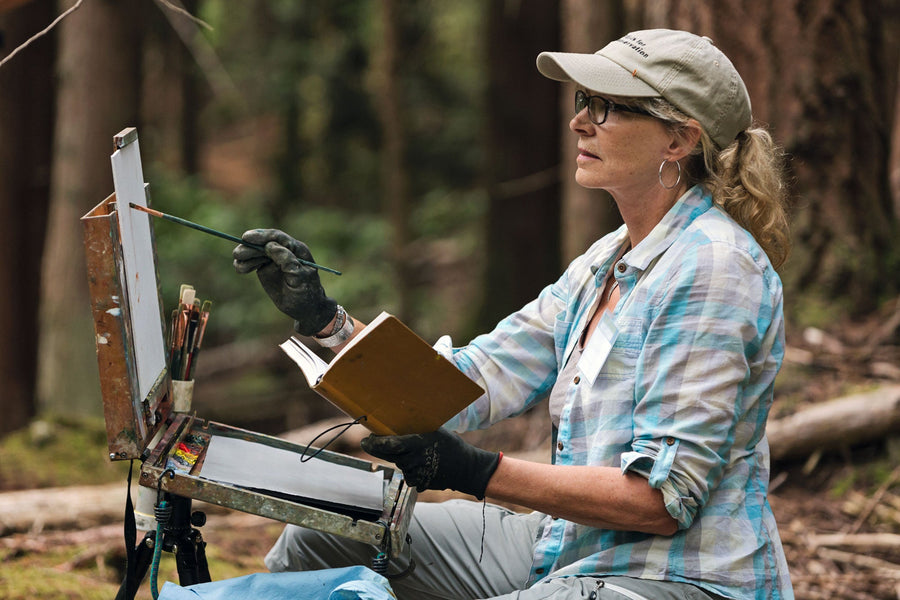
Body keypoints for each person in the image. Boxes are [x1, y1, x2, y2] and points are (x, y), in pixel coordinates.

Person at [234, 29, 793, 600]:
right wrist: (327, 322)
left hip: (677, 575)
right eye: (583, 101)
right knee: (323, 538)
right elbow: (464, 386)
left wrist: (478, 472)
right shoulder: (609, 258)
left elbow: (660, 502)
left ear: (679, 140)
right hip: (573, 546)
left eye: (607, 107)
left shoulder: (713, 269)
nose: (580, 122)